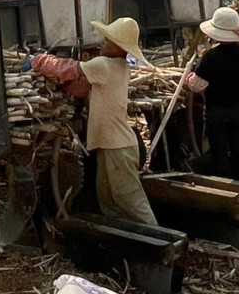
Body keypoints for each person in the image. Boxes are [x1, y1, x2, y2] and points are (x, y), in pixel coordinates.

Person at [30, 18, 158, 225]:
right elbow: (82, 88)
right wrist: (63, 87)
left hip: (118, 146)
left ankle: (160, 243)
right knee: (108, 200)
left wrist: (39, 61)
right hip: (111, 144)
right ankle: (125, 242)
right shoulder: (118, 66)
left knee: (130, 200)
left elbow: (67, 68)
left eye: (107, 41)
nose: (102, 44)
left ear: (119, 47)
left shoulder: (104, 65)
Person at [185, 7, 239, 182]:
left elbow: (196, 85)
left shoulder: (211, 57)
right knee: (238, 152)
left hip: (217, 112)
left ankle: (228, 190)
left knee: (220, 154)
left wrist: (191, 78)